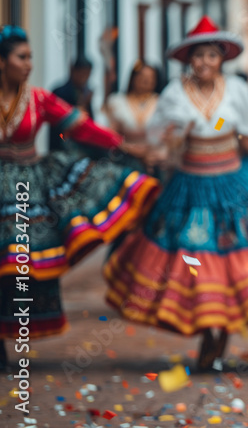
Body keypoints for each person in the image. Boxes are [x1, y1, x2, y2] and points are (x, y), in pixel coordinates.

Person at [102, 17, 248, 370]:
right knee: (196, 260)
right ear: (188, 60)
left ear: (221, 59)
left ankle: (219, 334)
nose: (204, 63)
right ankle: (209, 334)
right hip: (189, 188)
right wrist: (171, 142)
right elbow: (158, 142)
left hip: (233, 183)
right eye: (198, 56)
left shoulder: (237, 91)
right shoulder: (173, 93)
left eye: (211, 56)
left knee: (232, 259)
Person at [0, 25, 158, 368]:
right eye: (22, 57)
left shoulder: (39, 98)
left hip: (28, 186)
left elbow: (81, 127)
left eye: (30, 57)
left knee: (17, 265)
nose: (29, 64)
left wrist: (124, 146)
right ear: (2, 62)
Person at [103, 62, 161, 161]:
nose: (146, 80)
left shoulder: (161, 102)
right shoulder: (117, 102)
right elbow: (111, 134)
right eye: (142, 76)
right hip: (127, 156)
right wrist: (130, 149)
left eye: (151, 76)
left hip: (156, 158)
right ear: (133, 77)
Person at [50, 55, 95, 151]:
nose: (85, 78)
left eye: (87, 75)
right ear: (73, 71)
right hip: (62, 143)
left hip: (82, 145)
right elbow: (63, 123)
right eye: (83, 74)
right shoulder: (60, 92)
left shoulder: (85, 92)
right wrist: (83, 102)